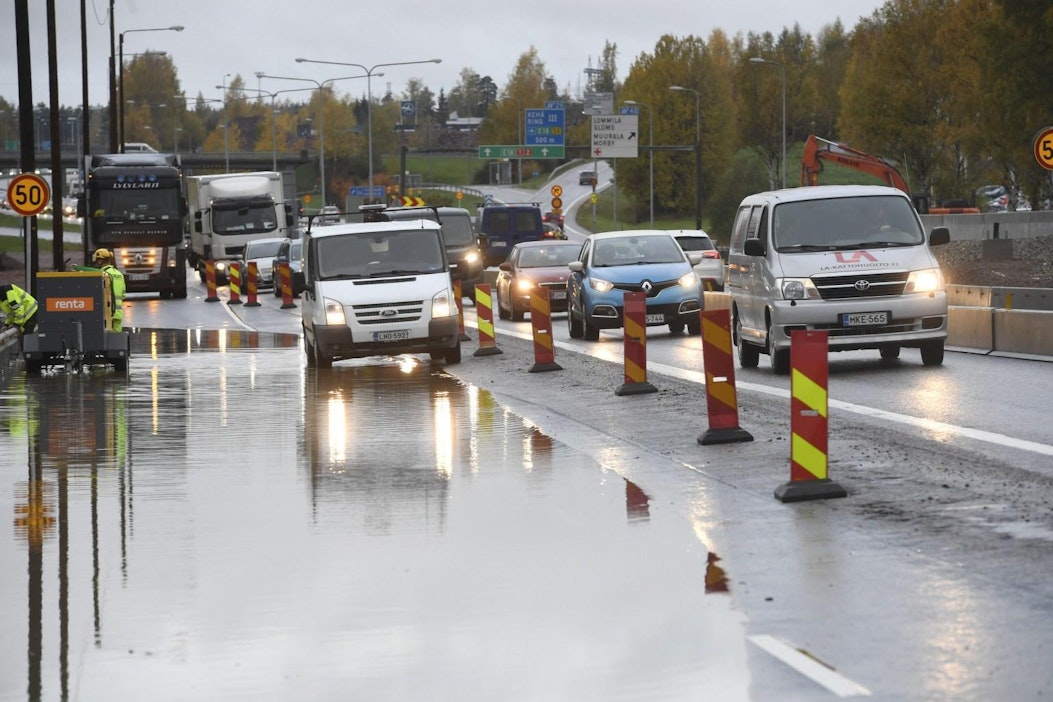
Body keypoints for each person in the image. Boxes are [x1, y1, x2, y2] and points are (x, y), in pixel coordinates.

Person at [77, 249, 126, 332]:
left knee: (105, 341)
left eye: (96, 262)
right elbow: (123, 294)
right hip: (118, 313)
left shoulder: (102, 274)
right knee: (118, 341)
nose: (95, 264)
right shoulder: (119, 274)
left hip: (106, 313)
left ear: (100, 261)